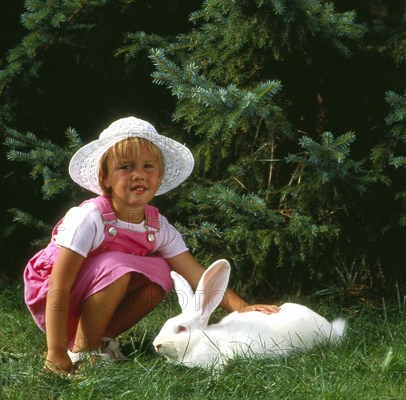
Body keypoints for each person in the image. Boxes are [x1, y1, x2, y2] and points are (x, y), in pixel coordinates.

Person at [23, 116, 279, 374]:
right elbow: (60, 283)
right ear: (106, 178)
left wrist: (242, 307)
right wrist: (54, 351)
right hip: (54, 296)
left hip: (99, 293)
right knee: (116, 265)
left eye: (148, 166)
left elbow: (195, 273)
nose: (138, 175)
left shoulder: (157, 226)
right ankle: (79, 352)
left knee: (160, 272)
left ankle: (100, 340)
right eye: (125, 167)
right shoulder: (90, 218)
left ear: (159, 176)